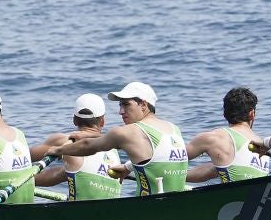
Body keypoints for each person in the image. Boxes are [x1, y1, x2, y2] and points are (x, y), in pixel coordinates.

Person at [50, 82, 187, 196]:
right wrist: (128, 166)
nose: (120, 111)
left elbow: (87, 146)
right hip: (177, 204)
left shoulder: (128, 133)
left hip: (147, 212)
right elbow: (157, 156)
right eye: (120, 105)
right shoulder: (174, 129)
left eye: (126, 104)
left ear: (143, 105)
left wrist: (58, 150)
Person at [31, 94, 123, 200]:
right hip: (111, 211)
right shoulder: (114, 146)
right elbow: (61, 174)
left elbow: (26, 156)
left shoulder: (66, 141)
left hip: (78, 213)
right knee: (68, 172)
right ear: (102, 122)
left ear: (74, 120)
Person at [184, 87, 271, 184]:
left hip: (232, 196)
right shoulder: (263, 145)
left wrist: (172, 175)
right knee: (217, 168)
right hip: (258, 194)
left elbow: (173, 158)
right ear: (252, 114)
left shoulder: (214, 137)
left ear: (225, 114)